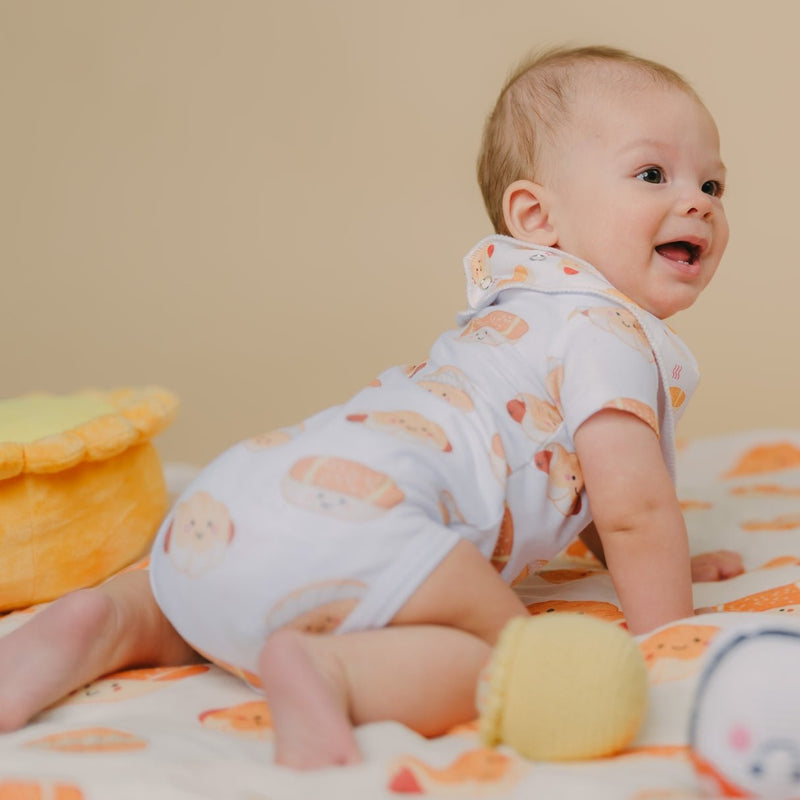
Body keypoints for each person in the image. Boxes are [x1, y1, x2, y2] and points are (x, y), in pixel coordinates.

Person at [0, 45, 744, 770]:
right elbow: (634, 509)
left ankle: (107, 618)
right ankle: (333, 673)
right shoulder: (606, 331)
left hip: (234, 505)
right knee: (510, 657)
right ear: (536, 216)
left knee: (204, 602)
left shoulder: (513, 314)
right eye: (653, 173)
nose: (697, 204)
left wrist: (660, 555)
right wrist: (671, 637)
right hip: (368, 528)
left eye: (713, 186)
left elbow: (581, 487)